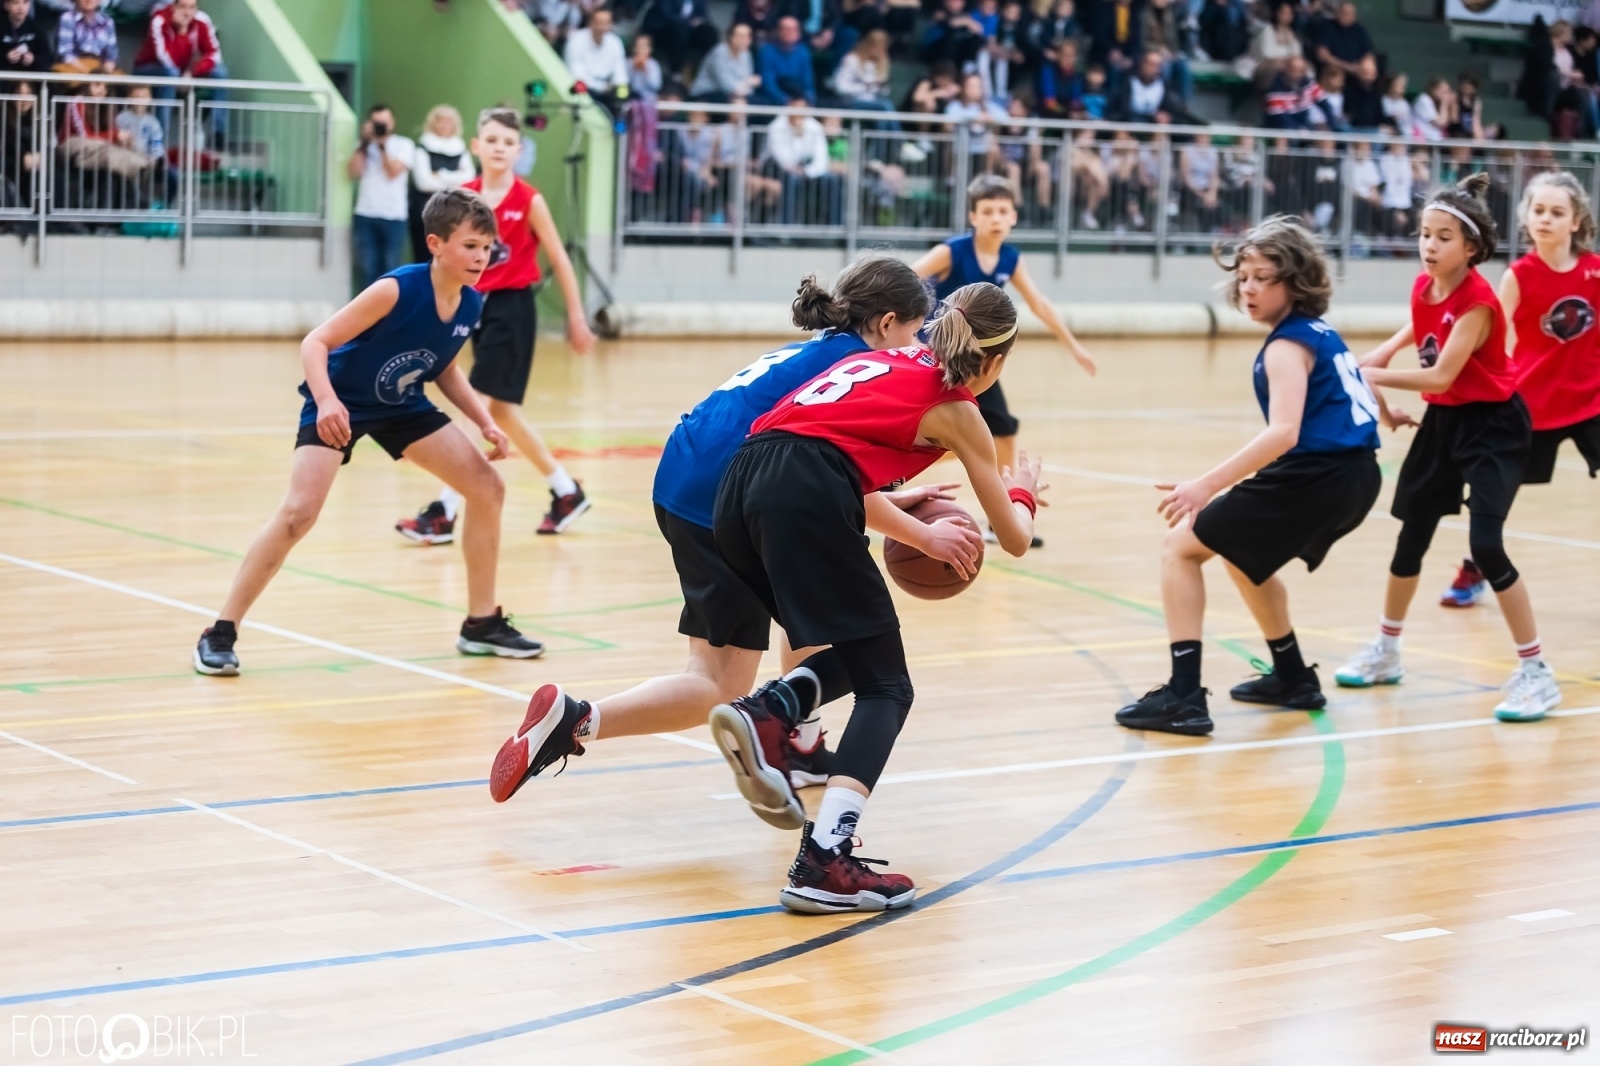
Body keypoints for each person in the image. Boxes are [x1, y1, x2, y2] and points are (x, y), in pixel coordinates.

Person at [486, 256, 984, 814]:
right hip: (724, 496)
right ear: (888, 323)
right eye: (914, 333)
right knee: (720, 683)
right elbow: (805, 483)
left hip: (685, 480)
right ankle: (577, 721)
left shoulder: (824, 350)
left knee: (809, 596)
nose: (916, 346)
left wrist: (885, 504)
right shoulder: (865, 369)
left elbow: (817, 484)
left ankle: (801, 742)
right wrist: (920, 535)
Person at [701, 284, 1041, 914]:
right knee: (889, 689)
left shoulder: (882, 359)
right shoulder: (961, 410)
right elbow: (1015, 540)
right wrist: (1022, 492)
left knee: (867, 661)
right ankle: (823, 859)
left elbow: (811, 445)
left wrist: (907, 523)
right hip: (804, 489)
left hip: (739, 487)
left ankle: (772, 708)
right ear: (996, 362)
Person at [193, 190, 543, 676]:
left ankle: (481, 624)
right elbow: (315, 342)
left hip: (401, 403)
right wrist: (327, 401)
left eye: (487, 247)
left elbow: (444, 367)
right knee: (298, 515)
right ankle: (220, 632)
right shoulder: (395, 290)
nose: (481, 257)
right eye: (470, 246)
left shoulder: (469, 303)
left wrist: (484, 420)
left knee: (488, 487)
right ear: (435, 244)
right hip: (341, 401)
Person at [1116, 217, 1382, 736]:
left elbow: (1283, 432)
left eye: (1263, 278)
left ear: (1296, 282)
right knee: (1240, 553)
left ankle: (1184, 696)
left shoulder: (1286, 346)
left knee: (1180, 548)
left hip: (1318, 473)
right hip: (1355, 474)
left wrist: (1206, 484)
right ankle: (1292, 677)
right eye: (1244, 277)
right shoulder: (1321, 333)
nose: (1249, 288)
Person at [1338, 174, 1561, 723]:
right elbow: (1417, 326)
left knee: (1486, 545)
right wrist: (1382, 355)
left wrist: (1375, 376)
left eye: (1443, 237)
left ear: (1471, 248)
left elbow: (1439, 375)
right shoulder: (1425, 286)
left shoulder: (1480, 302)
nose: (1429, 246)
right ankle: (1386, 650)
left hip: (1493, 427)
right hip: (1445, 423)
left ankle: (1536, 672)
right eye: (1424, 235)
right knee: (1410, 538)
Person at [396, 109, 597, 545]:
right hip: (474, 308)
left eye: (508, 142)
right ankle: (566, 491)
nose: (499, 148)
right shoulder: (464, 199)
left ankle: (444, 511)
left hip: (512, 309)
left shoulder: (529, 200)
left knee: (478, 406)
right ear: (476, 146)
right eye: (491, 140)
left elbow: (559, 258)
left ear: (519, 150)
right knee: (502, 412)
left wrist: (576, 317)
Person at [1438, 172, 1600, 608]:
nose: (1545, 219)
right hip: (1533, 406)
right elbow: (1493, 335)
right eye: (1538, 210)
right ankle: (1476, 565)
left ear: (1576, 221)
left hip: (1592, 402)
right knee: (1497, 494)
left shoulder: (1595, 271)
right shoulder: (1519, 276)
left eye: (1557, 212)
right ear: (1526, 217)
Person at [912, 174, 1097, 545]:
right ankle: (894, 471)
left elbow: (1039, 304)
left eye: (1002, 211)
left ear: (1013, 216)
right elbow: (904, 281)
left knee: (1003, 434)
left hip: (977, 362)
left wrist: (1074, 346)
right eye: (987, 211)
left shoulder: (1010, 258)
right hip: (937, 356)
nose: (995, 218)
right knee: (953, 432)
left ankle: (1001, 521)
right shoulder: (951, 252)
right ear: (973, 217)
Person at [132, 0, 227, 143]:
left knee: (220, 73)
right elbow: (164, 57)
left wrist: (192, 72)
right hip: (148, 68)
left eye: (192, 7)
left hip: (182, 71)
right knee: (171, 74)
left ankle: (219, 134)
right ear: (173, 6)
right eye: (183, 7)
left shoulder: (202, 20)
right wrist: (182, 31)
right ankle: (161, 140)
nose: (187, 12)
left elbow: (214, 54)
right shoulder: (160, 20)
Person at [347, 104, 415, 289]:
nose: (380, 126)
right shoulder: (363, 146)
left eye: (384, 122)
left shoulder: (404, 145)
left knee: (391, 267)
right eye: (377, 122)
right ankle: (368, 306)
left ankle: (390, 306)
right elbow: (353, 172)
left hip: (394, 215)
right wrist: (364, 143)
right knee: (367, 267)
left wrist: (382, 146)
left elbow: (392, 172)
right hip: (366, 212)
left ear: (392, 123)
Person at [408, 104, 475, 266]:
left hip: (453, 213)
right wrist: (454, 178)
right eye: (440, 121)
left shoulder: (460, 148)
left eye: (448, 122)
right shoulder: (423, 147)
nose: (444, 125)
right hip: (424, 212)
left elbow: (469, 179)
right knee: (425, 257)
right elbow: (423, 182)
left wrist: (440, 174)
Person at [763, 95, 844, 226]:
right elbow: (785, 161)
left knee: (832, 179)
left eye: (802, 108)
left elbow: (821, 159)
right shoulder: (776, 127)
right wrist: (797, 136)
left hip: (807, 169)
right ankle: (787, 227)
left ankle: (835, 227)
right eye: (796, 108)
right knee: (791, 179)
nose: (799, 112)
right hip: (777, 170)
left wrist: (808, 172)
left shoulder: (814, 126)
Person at [563, 7, 629, 115]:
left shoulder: (615, 42)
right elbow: (577, 75)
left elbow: (620, 72)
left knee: (623, 97)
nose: (603, 27)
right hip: (583, 89)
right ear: (591, 23)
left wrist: (620, 88)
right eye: (599, 23)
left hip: (608, 90)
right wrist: (601, 87)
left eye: (606, 23)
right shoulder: (576, 40)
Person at [690, 22, 762, 103]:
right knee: (738, 102)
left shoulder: (746, 54)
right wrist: (748, 83)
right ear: (730, 37)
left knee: (763, 102)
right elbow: (726, 85)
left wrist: (746, 85)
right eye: (741, 36)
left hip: (730, 95)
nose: (745, 40)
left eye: (748, 36)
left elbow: (749, 89)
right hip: (706, 93)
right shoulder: (719, 52)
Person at [754, 16, 816, 106]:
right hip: (772, 100)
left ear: (798, 32)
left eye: (793, 30)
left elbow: (807, 81)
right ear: (778, 31)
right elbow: (768, 84)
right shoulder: (767, 51)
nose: (789, 33)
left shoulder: (803, 52)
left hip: (798, 97)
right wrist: (785, 101)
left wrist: (807, 99)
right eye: (785, 29)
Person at [53, 0, 115, 75]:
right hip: (74, 66)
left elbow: (111, 56)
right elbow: (65, 54)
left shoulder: (107, 21)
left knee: (124, 80)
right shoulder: (67, 18)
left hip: (100, 67)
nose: (89, 0)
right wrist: (88, 73)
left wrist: (106, 71)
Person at [1, 0, 53, 76]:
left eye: (25, 2)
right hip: (5, 74)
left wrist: (33, 59)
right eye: (16, 3)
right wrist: (6, 58)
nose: (21, 8)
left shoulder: (37, 28)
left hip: (31, 74)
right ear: (6, 5)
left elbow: (47, 57)